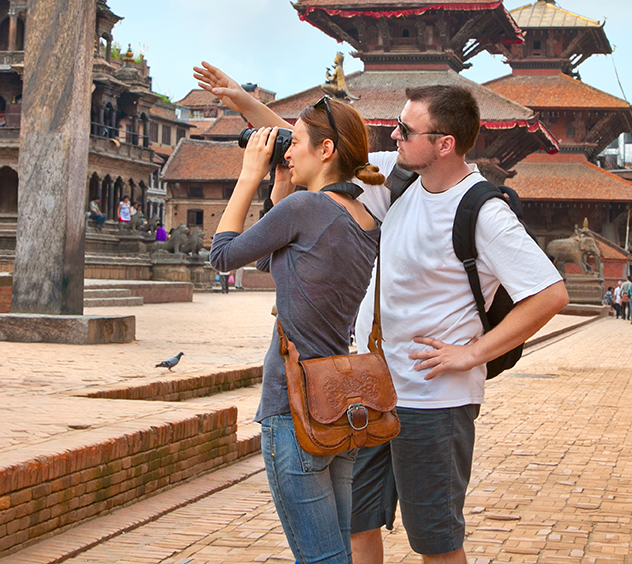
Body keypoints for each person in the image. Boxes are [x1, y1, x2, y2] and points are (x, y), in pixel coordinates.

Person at [194, 63, 568, 564]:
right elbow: (311, 145)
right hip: (372, 390)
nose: (393, 134)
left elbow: (550, 294)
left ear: (445, 144)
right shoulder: (395, 181)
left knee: (435, 541)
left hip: (436, 401)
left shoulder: (482, 211)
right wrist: (240, 98)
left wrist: (472, 354)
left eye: (405, 130)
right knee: (358, 525)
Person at [208, 97, 385, 564]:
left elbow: (223, 257)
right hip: (340, 403)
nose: (287, 152)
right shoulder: (365, 219)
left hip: (294, 405)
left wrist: (249, 174)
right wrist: (279, 192)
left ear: (325, 150)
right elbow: (276, 260)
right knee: (336, 552)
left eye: (296, 143)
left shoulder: (306, 208)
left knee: (321, 558)